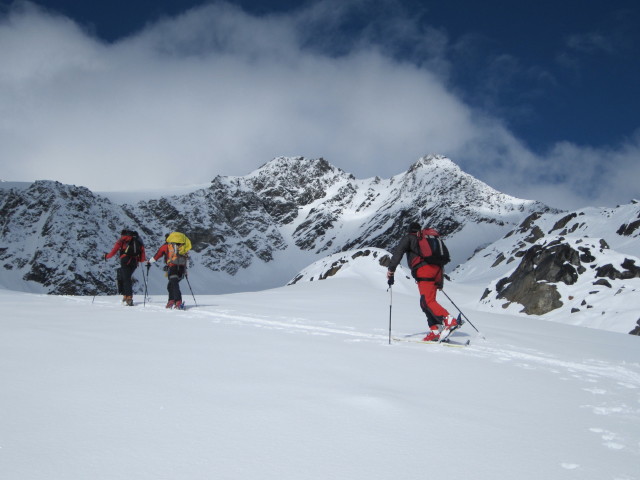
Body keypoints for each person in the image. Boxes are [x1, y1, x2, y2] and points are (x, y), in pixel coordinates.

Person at [386, 222, 457, 341]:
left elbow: (398, 252)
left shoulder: (409, 238)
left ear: (409, 230)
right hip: (436, 271)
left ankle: (449, 320)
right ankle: (435, 330)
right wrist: (439, 282)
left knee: (428, 301)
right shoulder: (427, 240)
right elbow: (438, 263)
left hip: (424, 271)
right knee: (425, 302)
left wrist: (391, 270)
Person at [148, 232, 191, 309]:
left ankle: (177, 301)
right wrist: (186, 270)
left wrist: (149, 262)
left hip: (173, 267)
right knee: (171, 285)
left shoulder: (166, 246)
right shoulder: (181, 245)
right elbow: (186, 257)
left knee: (173, 284)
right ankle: (173, 300)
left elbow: (157, 256)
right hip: (182, 268)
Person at [104, 229, 146, 306]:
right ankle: (126, 295)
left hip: (125, 260)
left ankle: (129, 297)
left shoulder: (122, 240)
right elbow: (142, 257)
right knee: (126, 277)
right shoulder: (138, 240)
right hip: (134, 262)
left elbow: (114, 251)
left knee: (126, 279)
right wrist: (139, 260)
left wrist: (106, 256)